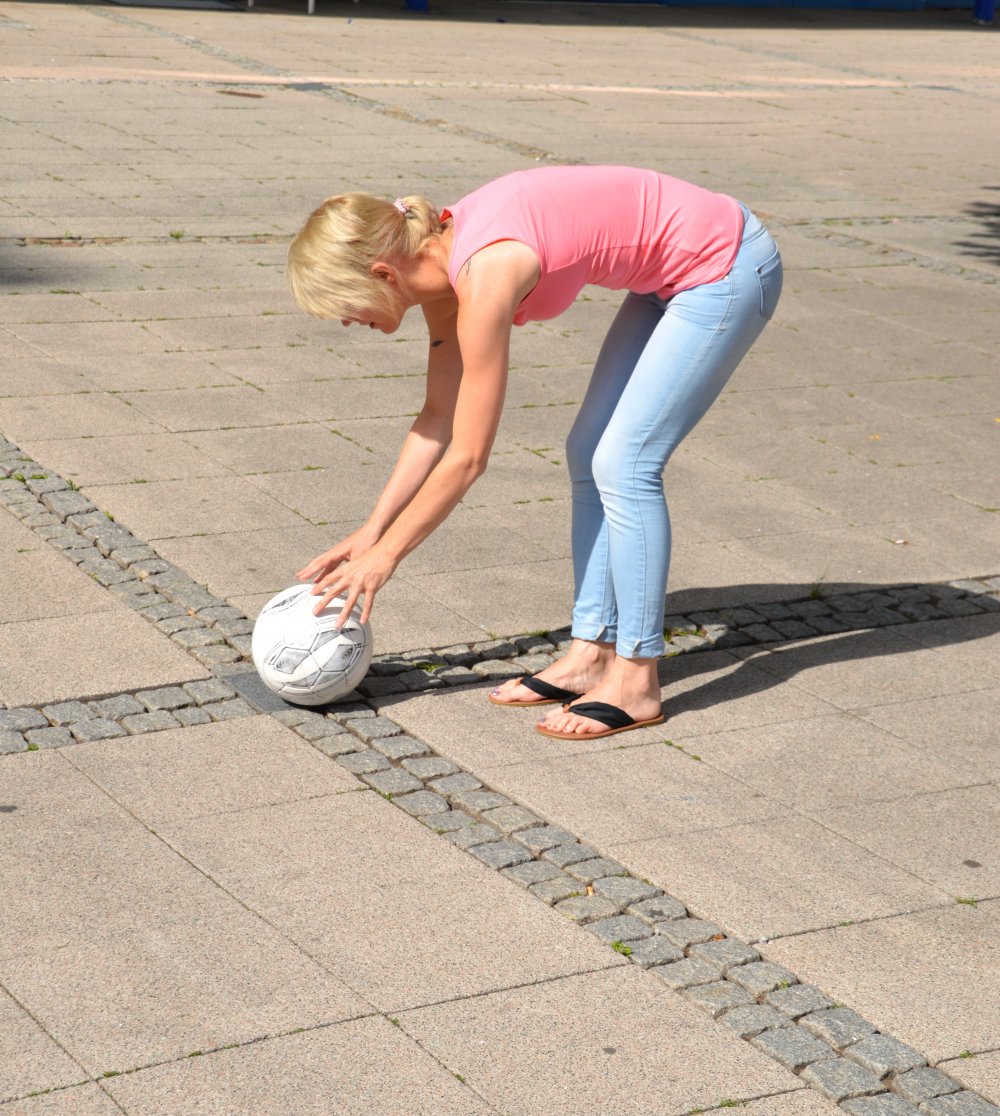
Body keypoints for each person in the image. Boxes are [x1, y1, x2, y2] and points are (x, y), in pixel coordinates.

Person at [287, 166, 782, 741]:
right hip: (665, 277)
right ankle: (590, 656)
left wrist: (389, 555)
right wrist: (372, 531)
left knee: (624, 463)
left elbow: (469, 456)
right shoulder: (443, 265)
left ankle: (637, 680)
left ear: (380, 273)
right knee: (588, 452)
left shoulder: (486, 273)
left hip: (725, 265)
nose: (349, 321)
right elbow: (436, 420)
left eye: (345, 308)